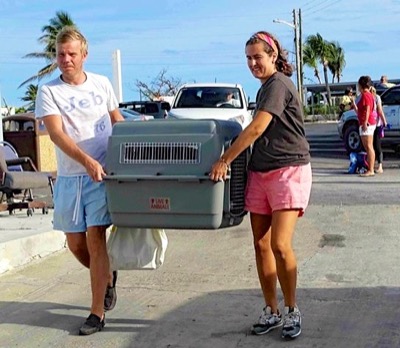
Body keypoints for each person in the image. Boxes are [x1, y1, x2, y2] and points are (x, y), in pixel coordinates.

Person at [210, 31, 312, 340]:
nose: (253, 63)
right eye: (249, 58)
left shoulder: (278, 85)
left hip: (288, 170)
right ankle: (272, 310)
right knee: (261, 244)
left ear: (273, 56)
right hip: (261, 171)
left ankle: (292, 310)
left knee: (280, 245)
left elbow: (256, 128)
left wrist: (225, 159)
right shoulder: (266, 87)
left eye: (258, 57)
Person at [35, 26, 124, 335]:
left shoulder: (101, 83)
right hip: (72, 177)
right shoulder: (48, 91)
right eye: (61, 54)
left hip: (102, 176)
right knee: (75, 243)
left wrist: (129, 153)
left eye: (72, 54)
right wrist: (85, 161)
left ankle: (97, 312)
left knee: (95, 238)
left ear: (84, 55)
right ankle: (107, 278)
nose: (66, 59)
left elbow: (117, 121)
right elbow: (56, 133)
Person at [352, 76, 376, 177]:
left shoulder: (366, 95)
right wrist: (354, 106)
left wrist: (365, 122)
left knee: (369, 146)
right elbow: (361, 111)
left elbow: (368, 109)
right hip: (364, 122)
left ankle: (371, 169)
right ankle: (370, 168)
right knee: (368, 147)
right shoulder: (366, 95)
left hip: (367, 123)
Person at [370, 86, 387, 173]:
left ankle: (380, 165)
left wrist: (384, 121)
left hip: (376, 124)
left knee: (376, 145)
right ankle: (373, 165)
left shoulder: (377, 98)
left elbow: (380, 110)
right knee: (373, 145)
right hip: (372, 124)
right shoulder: (371, 98)